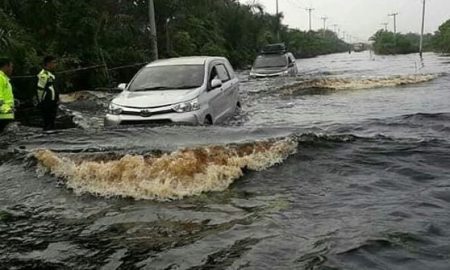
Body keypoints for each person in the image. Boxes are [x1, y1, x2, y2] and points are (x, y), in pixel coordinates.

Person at [37, 56, 59, 131]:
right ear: (48, 63)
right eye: (54, 63)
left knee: (52, 120)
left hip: (53, 101)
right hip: (46, 101)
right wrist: (40, 102)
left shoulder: (51, 74)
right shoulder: (43, 75)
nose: (55, 65)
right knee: (47, 121)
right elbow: (40, 89)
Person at [0, 57, 14, 132]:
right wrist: (6, 109)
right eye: (11, 66)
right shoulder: (0, 78)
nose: (12, 69)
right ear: (6, 66)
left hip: (5, 115)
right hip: (3, 115)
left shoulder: (4, 78)